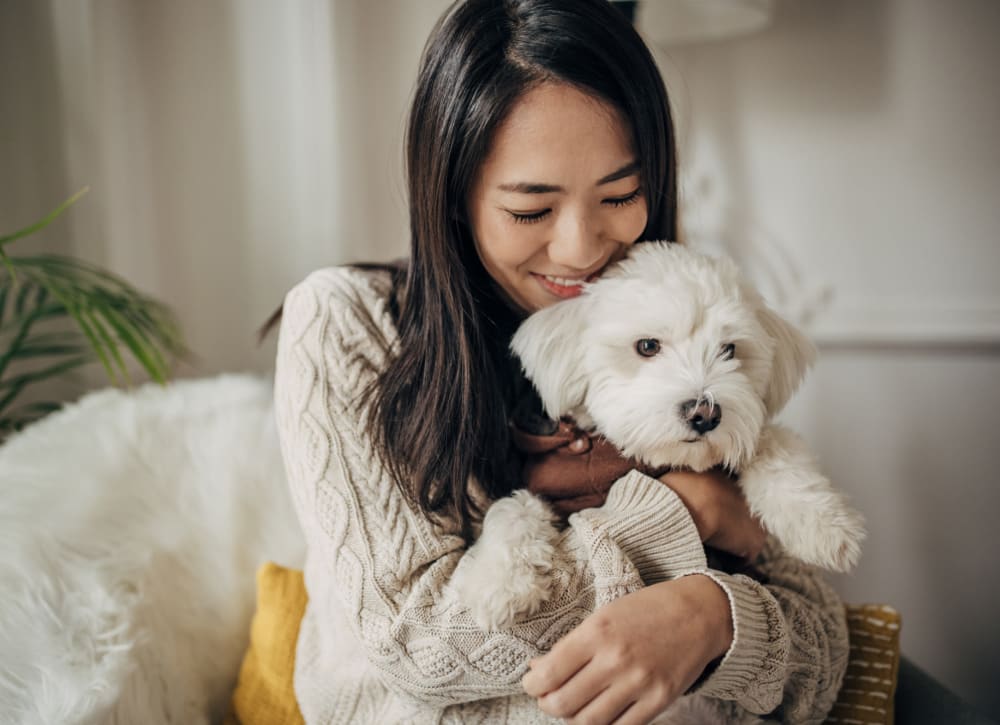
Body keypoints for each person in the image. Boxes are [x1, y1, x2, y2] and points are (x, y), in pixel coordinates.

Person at [269, 0, 849, 722]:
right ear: (453, 197)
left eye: (619, 195)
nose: (581, 248)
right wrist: (677, 518)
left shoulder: (674, 327)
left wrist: (711, 618)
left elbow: (822, 651)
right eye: (531, 210)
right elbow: (418, 642)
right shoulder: (345, 319)